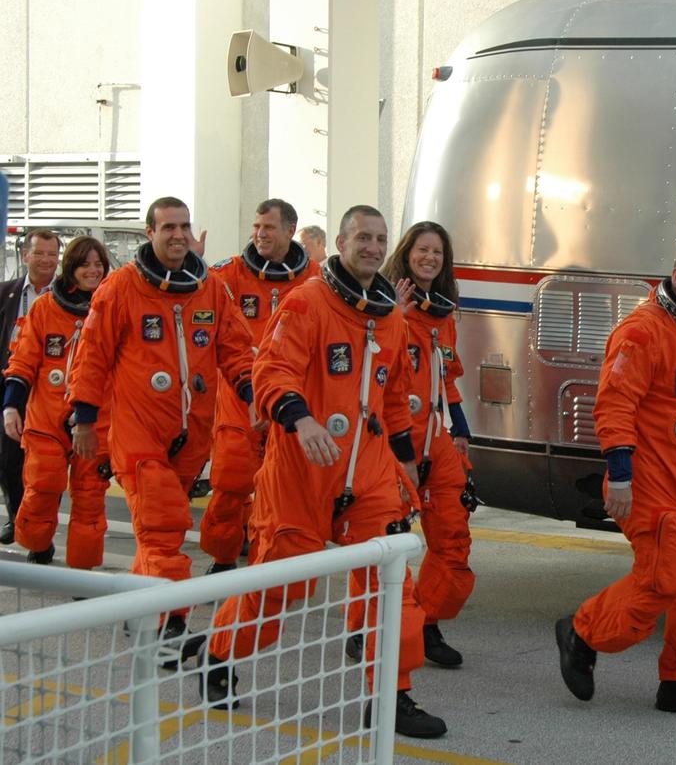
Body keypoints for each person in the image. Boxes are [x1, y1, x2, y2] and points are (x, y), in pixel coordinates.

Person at [202, 205, 445, 739]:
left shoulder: (391, 316)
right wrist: (302, 419)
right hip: (301, 470)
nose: (373, 247)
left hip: (371, 473)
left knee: (393, 585)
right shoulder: (307, 302)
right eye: (363, 237)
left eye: (381, 239)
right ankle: (217, 656)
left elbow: (395, 397)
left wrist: (405, 462)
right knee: (279, 588)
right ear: (340, 240)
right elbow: (270, 370)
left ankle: (392, 697)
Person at [555, 245, 676, 720]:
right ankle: (582, 631)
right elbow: (614, 406)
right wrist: (619, 477)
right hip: (649, 482)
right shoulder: (642, 331)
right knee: (663, 579)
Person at [68, 197, 255, 640]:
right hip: (138, 433)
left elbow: (236, 350)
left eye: (184, 226)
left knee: (156, 536)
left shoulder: (209, 288)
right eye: (168, 226)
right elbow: (91, 357)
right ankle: (171, 621)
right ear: (149, 232)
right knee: (165, 523)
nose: (178, 235)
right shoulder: (120, 289)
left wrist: (257, 396)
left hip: (191, 435)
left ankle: (141, 605)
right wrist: (84, 421)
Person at [363, 221, 474, 668]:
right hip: (391, 441)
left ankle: (426, 623)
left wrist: (462, 430)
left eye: (438, 252)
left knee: (453, 537)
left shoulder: (442, 316)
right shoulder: (381, 306)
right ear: (407, 254)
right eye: (422, 250)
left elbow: (447, 379)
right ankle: (370, 628)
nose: (430, 258)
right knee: (388, 544)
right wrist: (395, 317)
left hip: (435, 439)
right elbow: (368, 369)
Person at [199, 199, 319, 573]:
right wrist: (192, 265)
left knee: (283, 488)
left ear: (289, 230)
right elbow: (196, 298)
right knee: (231, 482)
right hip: (239, 397)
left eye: (268, 227)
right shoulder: (229, 274)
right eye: (256, 227)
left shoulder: (314, 278)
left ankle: (268, 561)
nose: (260, 234)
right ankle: (222, 559)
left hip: (289, 400)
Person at [2, 237, 112, 567]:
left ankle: (82, 567)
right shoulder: (46, 308)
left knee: (90, 496)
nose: (93, 271)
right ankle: (38, 544)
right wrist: (11, 406)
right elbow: (22, 362)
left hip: (95, 420)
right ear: (72, 268)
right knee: (41, 487)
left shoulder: (114, 306)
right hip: (47, 416)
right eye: (85, 265)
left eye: (99, 265)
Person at [0, 229, 60, 545]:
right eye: (39, 253)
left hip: (50, 390)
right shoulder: (6, 292)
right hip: (10, 383)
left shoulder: (68, 294)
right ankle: (16, 516)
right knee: (8, 458)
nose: (46, 260)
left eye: (52, 254)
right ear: (26, 255)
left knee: (42, 465)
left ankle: (36, 526)